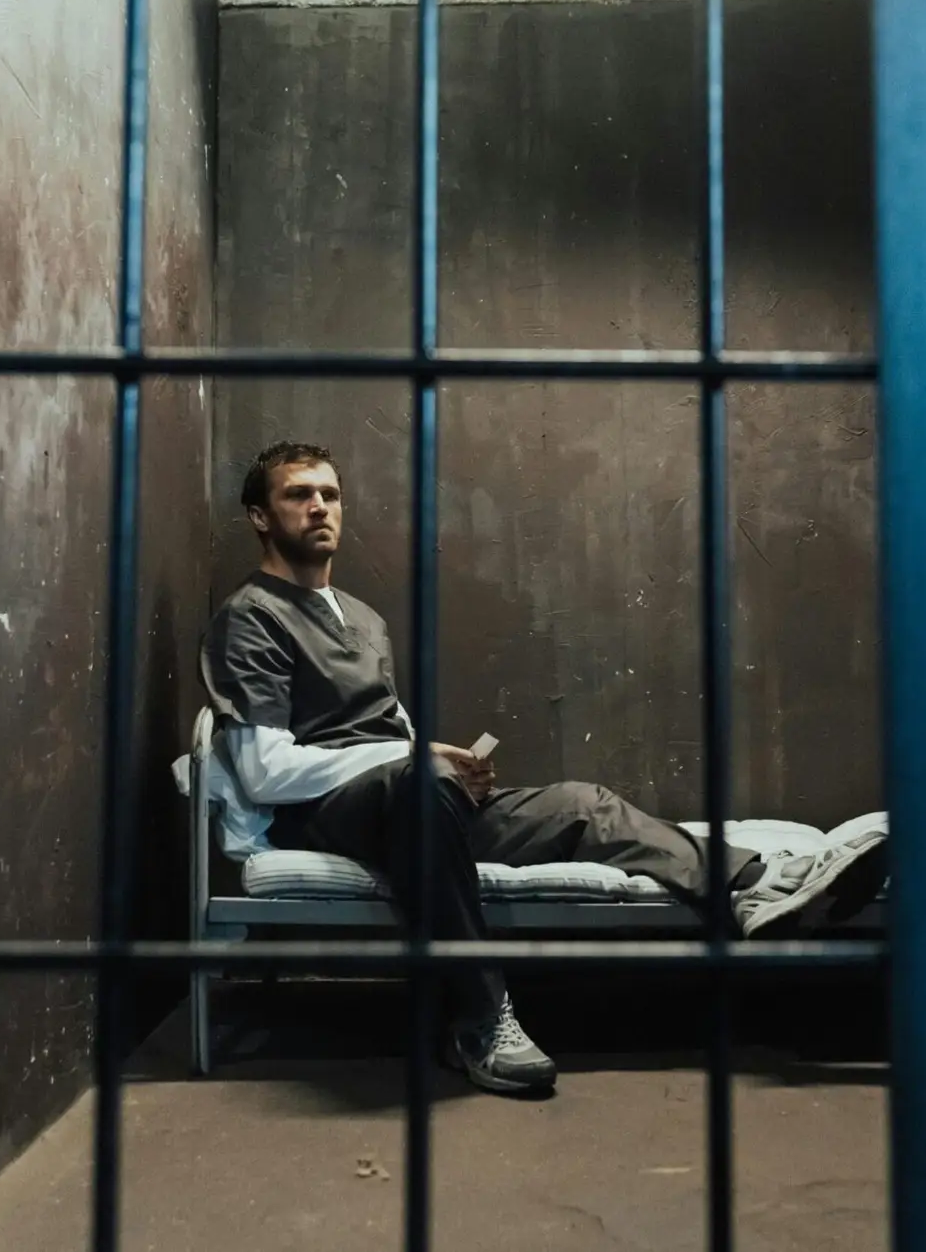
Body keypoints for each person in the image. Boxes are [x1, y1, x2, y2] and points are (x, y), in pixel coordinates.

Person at [200, 440, 885, 1096]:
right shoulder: (252, 617)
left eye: (331, 493)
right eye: (299, 495)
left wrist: (442, 762)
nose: (321, 506)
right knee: (425, 779)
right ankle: (479, 1022)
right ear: (261, 516)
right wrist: (417, 761)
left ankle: (765, 883)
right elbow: (265, 772)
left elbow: (388, 729)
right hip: (328, 817)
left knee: (582, 802)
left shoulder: (363, 617)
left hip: (415, 800)